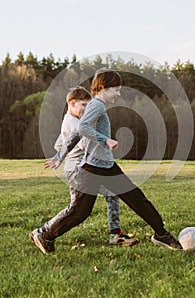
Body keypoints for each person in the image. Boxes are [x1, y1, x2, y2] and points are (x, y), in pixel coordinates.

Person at [31, 69, 182, 254]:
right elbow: (83, 128)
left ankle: (161, 234)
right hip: (93, 167)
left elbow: (78, 132)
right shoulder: (97, 105)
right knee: (80, 211)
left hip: (106, 165)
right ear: (103, 88)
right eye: (116, 89)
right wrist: (105, 140)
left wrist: (59, 156)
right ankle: (45, 234)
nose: (118, 94)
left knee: (136, 197)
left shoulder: (97, 105)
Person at [29, 86, 139, 251]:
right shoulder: (74, 123)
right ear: (72, 104)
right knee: (77, 209)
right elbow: (84, 142)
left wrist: (60, 155)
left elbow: (59, 143)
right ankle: (42, 232)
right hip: (78, 170)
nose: (87, 109)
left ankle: (115, 234)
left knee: (105, 196)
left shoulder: (70, 121)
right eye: (84, 105)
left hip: (82, 168)